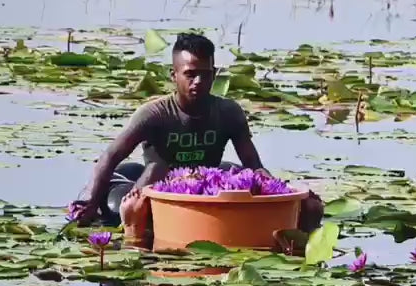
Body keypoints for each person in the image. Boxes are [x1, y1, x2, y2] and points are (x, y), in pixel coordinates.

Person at [70, 33, 323, 248]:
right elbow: (111, 156)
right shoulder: (154, 114)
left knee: (235, 173)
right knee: (155, 173)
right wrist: (90, 201)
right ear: (174, 75)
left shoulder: (229, 112)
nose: (198, 82)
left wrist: (285, 197)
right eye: (190, 74)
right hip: (147, 183)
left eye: (205, 74)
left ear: (214, 74)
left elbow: (253, 165)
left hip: (199, 186)